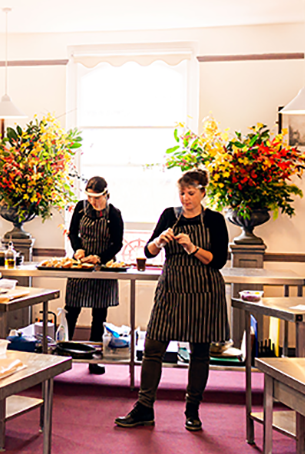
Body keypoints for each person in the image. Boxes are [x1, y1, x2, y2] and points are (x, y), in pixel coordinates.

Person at [115, 170, 228, 432]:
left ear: (203, 192)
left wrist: (194, 248)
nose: (186, 198)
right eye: (182, 193)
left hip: (204, 292)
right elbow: (148, 251)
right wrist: (158, 241)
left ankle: (192, 410)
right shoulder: (169, 215)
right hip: (171, 289)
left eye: (191, 193)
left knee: (199, 352)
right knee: (153, 346)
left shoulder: (214, 219)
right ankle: (144, 407)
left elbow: (219, 260)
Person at [65, 176, 124, 375]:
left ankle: (94, 358)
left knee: (99, 315)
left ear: (106, 194)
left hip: (103, 266)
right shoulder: (80, 208)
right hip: (81, 266)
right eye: (90, 197)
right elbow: (73, 233)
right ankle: (62, 354)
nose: (93, 202)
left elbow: (117, 244)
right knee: (71, 311)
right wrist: (78, 250)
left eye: (97, 198)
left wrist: (99, 257)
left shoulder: (114, 214)